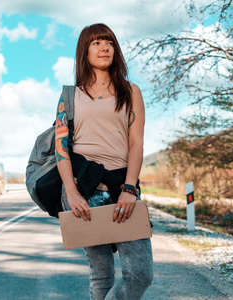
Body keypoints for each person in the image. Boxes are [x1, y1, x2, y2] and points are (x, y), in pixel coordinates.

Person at [55, 23, 153, 300]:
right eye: (95, 42)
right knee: (101, 276)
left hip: (123, 188)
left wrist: (130, 188)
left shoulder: (131, 91)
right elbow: (61, 148)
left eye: (108, 41)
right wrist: (72, 194)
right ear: (84, 51)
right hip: (84, 191)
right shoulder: (69, 96)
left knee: (141, 275)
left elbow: (136, 144)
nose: (103, 47)